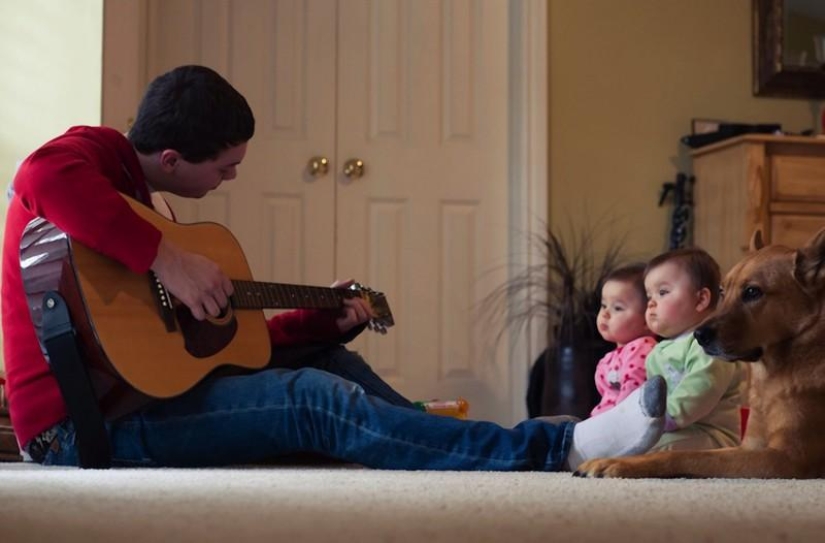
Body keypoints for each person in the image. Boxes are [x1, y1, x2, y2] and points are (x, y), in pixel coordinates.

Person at [2, 64, 667, 471]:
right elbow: (34, 174)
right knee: (312, 402)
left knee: (325, 363)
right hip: (79, 430)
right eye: (224, 166)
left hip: (141, 396)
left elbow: (223, 349)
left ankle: (464, 445)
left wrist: (320, 321)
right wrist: (168, 259)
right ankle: (553, 449)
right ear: (173, 158)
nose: (231, 177)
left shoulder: (145, 209)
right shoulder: (92, 160)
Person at [642, 248, 744, 452]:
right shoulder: (657, 353)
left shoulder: (710, 345)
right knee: (631, 443)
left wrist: (661, 420)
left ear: (701, 300)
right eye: (649, 295)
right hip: (671, 429)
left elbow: (701, 389)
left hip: (712, 437)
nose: (652, 303)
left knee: (646, 449)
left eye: (662, 292)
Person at [590, 263, 658, 417]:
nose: (605, 314)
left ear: (647, 320)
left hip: (621, 428)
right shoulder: (611, 357)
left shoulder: (642, 349)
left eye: (617, 308)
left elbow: (632, 398)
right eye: (603, 305)